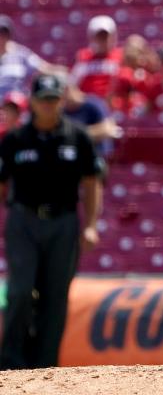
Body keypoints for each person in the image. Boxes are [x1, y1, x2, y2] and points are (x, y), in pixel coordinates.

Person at [0, 75, 104, 368]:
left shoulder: (78, 137)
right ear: (32, 102)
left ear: (61, 100)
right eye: (43, 99)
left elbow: (92, 182)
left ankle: (45, 366)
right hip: (23, 220)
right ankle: (10, 363)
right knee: (20, 291)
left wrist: (91, 224)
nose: (48, 105)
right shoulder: (15, 140)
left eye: (53, 99)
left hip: (63, 222)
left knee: (55, 296)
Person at [71, 15, 136, 113]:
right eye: (99, 36)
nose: (103, 40)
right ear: (91, 37)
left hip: (115, 110)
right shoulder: (82, 57)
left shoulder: (122, 56)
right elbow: (73, 85)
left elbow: (129, 87)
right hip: (89, 110)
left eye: (105, 36)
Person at [0, 16, 53, 99]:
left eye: (4, 33)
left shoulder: (20, 53)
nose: (1, 37)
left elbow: (43, 68)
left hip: (15, 105)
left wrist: (62, 73)